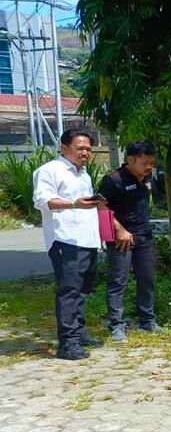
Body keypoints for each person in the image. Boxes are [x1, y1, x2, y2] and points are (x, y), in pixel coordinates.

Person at [33, 129, 107, 360]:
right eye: (80, 148)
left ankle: (79, 332)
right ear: (64, 147)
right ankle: (68, 343)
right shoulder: (49, 171)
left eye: (88, 149)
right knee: (69, 291)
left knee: (82, 290)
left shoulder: (83, 174)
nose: (85, 152)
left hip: (87, 239)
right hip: (65, 239)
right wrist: (74, 204)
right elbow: (42, 201)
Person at [97, 140, 159, 343]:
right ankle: (116, 325)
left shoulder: (147, 176)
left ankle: (147, 321)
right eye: (145, 163)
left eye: (152, 163)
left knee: (147, 279)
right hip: (120, 238)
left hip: (144, 236)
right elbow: (100, 207)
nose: (149, 167)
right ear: (130, 159)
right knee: (118, 281)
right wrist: (119, 229)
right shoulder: (113, 180)